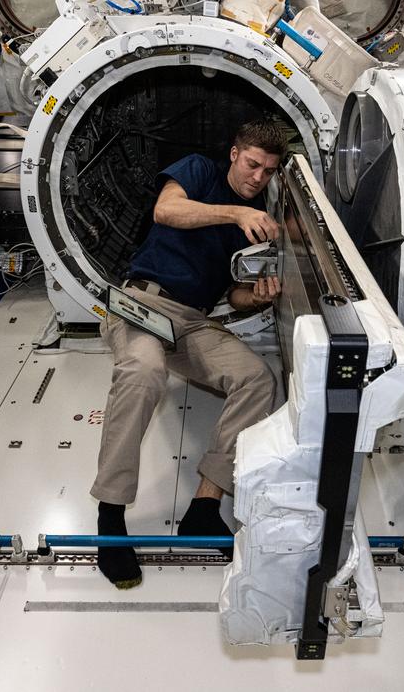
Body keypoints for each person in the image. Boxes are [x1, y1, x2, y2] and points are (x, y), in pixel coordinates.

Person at [90, 119, 288, 589]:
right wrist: (235, 214)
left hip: (194, 322)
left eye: (268, 171)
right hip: (142, 303)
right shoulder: (200, 172)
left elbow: (236, 296)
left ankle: (204, 505)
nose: (257, 177)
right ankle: (110, 516)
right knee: (144, 369)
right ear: (236, 153)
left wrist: (257, 297)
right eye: (253, 164)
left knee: (258, 378)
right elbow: (167, 211)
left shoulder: (257, 220)